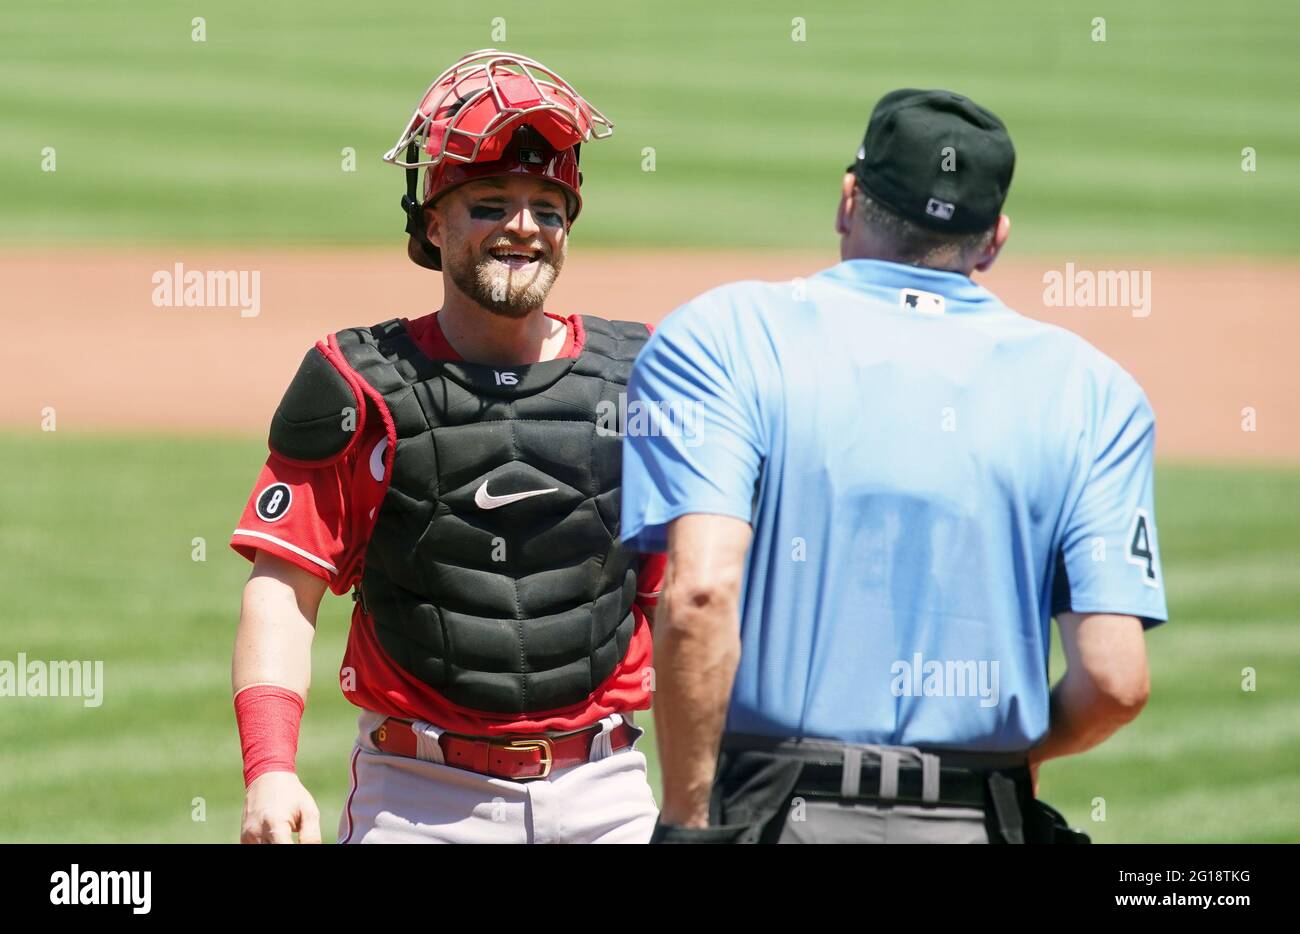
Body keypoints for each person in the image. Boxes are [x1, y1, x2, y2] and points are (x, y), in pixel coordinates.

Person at [620, 88, 1167, 844]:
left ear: (850, 199)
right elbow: (1116, 680)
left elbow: (701, 594)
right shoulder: (1096, 392)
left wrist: (686, 820)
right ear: (994, 239)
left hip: (780, 812)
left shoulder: (721, 335)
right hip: (983, 816)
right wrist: (1009, 761)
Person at [229, 50, 661, 844]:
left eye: (548, 207)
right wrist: (271, 768)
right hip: (420, 801)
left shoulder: (640, 381)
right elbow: (284, 590)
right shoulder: (359, 386)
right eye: (490, 204)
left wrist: (713, 787)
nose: (523, 228)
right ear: (434, 225)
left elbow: (684, 603)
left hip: (609, 792)